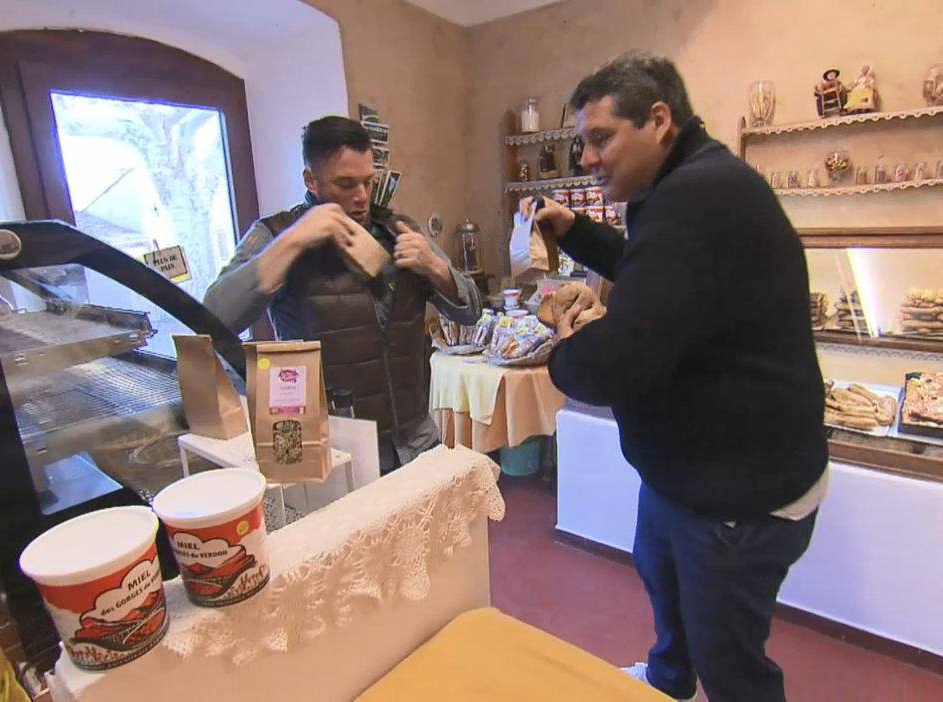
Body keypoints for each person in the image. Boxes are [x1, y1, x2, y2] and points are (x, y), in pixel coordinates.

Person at [522, 52, 828, 702]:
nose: (586, 157)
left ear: (659, 120)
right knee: (664, 584)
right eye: (582, 142)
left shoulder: (697, 196)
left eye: (601, 138)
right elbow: (651, 267)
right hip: (687, 474)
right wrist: (575, 231)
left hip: (734, 496)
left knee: (733, 667)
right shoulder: (685, 186)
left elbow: (614, 365)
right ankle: (668, 682)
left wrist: (555, 344)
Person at [204, 116, 482, 474]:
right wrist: (293, 241)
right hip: (335, 449)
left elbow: (471, 311)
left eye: (368, 181)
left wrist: (436, 267)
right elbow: (213, 320)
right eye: (346, 184)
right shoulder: (276, 234)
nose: (362, 196)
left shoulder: (400, 230)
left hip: (415, 440)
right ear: (311, 180)